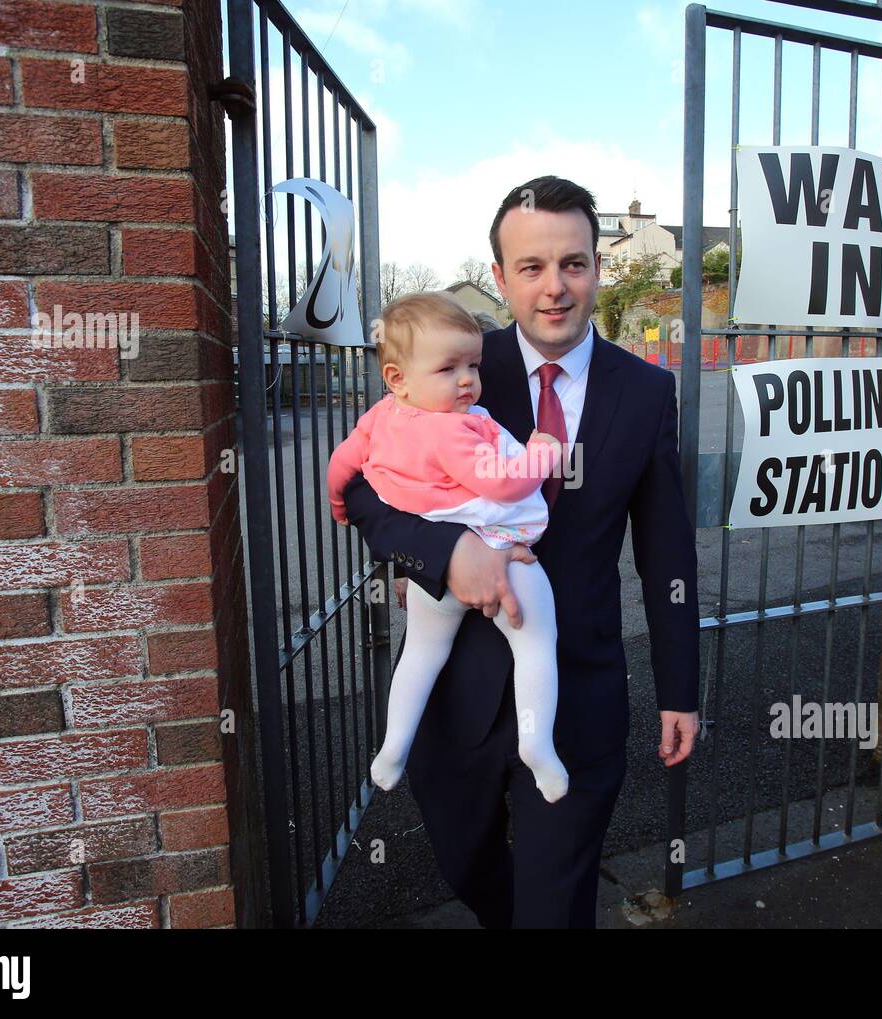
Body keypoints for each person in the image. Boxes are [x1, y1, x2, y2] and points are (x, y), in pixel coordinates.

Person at [342, 175, 700, 928]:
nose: (555, 287)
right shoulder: (454, 364)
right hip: (459, 697)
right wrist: (446, 554)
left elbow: (666, 554)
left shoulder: (645, 393)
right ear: (499, 277)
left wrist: (680, 688)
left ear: (598, 267)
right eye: (531, 267)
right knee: (469, 867)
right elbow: (369, 498)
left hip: (577, 696)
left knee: (555, 908)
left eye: (573, 263)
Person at [326, 292, 569, 803]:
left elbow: (342, 466)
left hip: (430, 588)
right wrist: (542, 453)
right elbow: (503, 484)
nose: (467, 380)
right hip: (504, 552)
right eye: (449, 368)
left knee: (420, 652)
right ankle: (537, 743)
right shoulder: (452, 429)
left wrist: (338, 506)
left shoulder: (380, 417)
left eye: (473, 366)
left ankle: (393, 745)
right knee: (536, 644)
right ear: (397, 377)